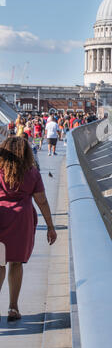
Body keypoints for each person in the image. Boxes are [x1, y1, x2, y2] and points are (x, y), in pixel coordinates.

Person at [0, 137, 56, 321]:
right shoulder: (31, 172)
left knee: (0, 263)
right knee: (16, 263)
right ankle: (13, 308)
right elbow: (42, 201)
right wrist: (50, 226)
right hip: (21, 222)